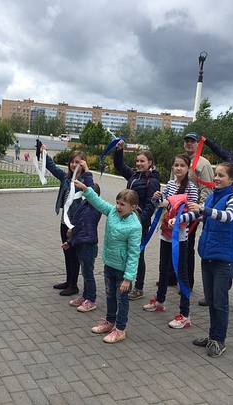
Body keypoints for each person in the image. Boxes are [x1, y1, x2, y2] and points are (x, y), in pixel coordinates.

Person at [74, 180, 142, 343]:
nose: (118, 207)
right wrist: (87, 190)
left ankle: (120, 329)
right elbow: (98, 202)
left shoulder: (135, 226)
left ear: (133, 207)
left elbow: (134, 253)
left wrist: (128, 278)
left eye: (122, 204)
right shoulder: (112, 212)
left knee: (122, 300)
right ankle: (110, 322)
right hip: (109, 264)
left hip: (122, 270)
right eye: (117, 203)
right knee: (110, 296)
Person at [192, 162, 233, 358]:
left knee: (220, 303)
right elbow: (204, 216)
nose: (216, 178)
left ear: (231, 180)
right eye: (216, 174)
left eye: (221, 175)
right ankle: (212, 336)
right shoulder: (213, 196)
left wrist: (203, 209)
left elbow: (227, 217)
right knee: (212, 301)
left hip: (224, 260)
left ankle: (219, 340)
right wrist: (179, 218)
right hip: (208, 256)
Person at [143, 154, 198, 329]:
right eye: (176, 165)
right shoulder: (169, 185)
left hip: (180, 237)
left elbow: (193, 212)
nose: (178, 168)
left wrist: (175, 211)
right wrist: (156, 198)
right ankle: (160, 300)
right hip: (166, 232)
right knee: (163, 268)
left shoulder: (191, 188)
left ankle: (185, 314)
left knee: (181, 273)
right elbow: (161, 205)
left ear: (188, 168)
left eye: (182, 165)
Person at [113, 140, 161, 300]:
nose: (139, 164)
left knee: (138, 254)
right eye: (138, 161)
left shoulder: (152, 181)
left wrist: (140, 221)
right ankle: (127, 282)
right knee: (127, 252)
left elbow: (150, 205)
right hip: (127, 220)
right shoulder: (134, 175)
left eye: (142, 161)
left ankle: (139, 287)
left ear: (150, 163)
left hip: (140, 224)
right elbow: (119, 165)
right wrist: (119, 150)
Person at [44, 146, 90, 296]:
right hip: (64, 222)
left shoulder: (84, 182)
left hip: (75, 224)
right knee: (67, 252)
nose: (74, 165)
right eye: (72, 162)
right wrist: (44, 152)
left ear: (83, 163)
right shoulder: (66, 178)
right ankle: (69, 280)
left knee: (74, 254)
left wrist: (87, 170)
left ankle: (73, 285)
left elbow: (90, 196)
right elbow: (52, 167)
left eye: (77, 162)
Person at [178, 133, 214, 305]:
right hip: (177, 210)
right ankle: (174, 276)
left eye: (192, 141)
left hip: (192, 211)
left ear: (198, 144)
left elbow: (206, 188)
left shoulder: (203, 163)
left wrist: (200, 209)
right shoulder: (181, 160)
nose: (189, 144)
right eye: (187, 141)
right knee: (175, 243)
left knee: (187, 247)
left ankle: (187, 282)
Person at [63, 179, 102, 313]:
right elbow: (78, 226)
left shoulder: (95, 207)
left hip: (88, 245)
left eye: (85, 191)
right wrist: (70, 241)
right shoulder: (83, 205)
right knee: (85, 273)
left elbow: (84, 229)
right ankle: (85, 296)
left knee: (88, 274)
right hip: (80, 244)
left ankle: (91, 299)